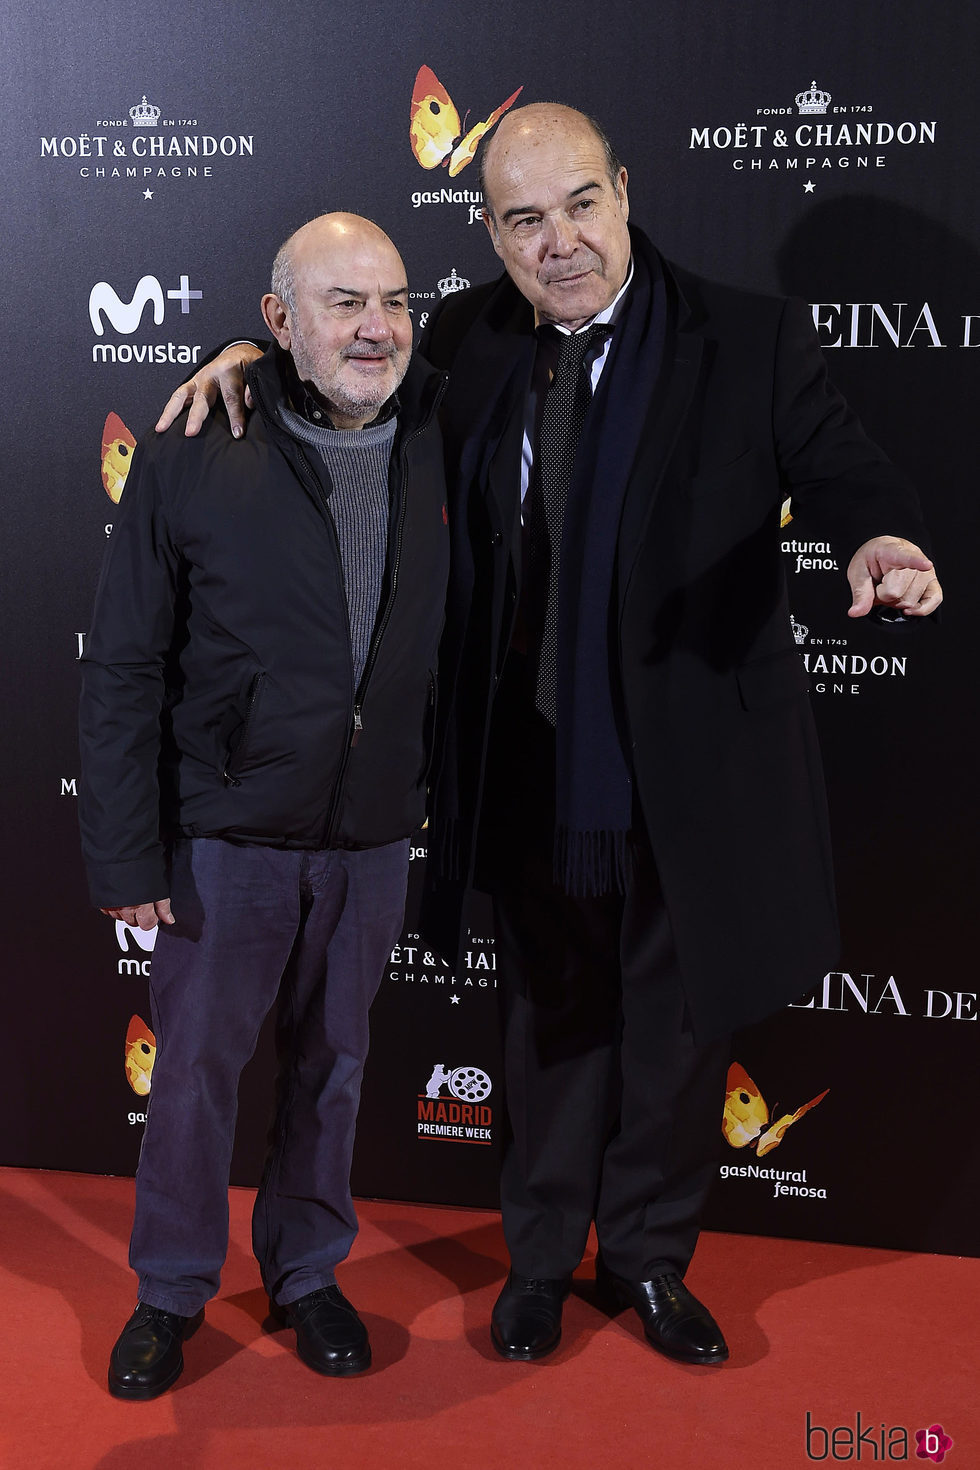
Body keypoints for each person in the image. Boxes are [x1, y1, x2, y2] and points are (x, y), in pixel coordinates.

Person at [156, 106, 941, 1369]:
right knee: (542, 1027)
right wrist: (244, 350)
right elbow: (343, 357)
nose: (559, 240)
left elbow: (839, 464)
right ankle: (534, 1262)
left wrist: (878, 538)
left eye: (579, 203)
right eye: (524, 218)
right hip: (522, 757)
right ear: (490, 234)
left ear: (623, 191)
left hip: (686, 771)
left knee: (675, 1035)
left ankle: (643, 1262)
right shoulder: (464, 336)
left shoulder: (742, 336)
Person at [80, 213, 448, 1398]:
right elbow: (125, 663)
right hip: (224, 838)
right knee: (189, 1075)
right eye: (341, 303)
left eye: (392, 301)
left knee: (335, 1067)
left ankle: (307, 1276)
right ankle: (170, 1291)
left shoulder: (445, 423)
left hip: (373, 834)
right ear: (280, 323)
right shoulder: (196, 439)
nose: (375, 327)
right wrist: (125, 853)